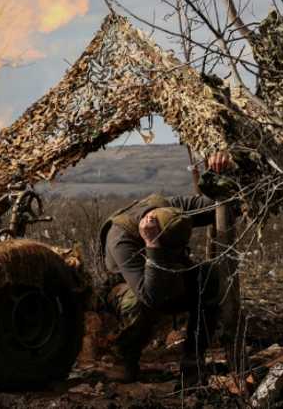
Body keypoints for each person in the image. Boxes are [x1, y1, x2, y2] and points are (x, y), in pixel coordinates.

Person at [98, 150, 234, 384]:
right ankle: (124, 356)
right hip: (130, 289)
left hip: (171, 275)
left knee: (208, 275)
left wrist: (218, 173)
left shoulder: (171, 208)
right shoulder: (121, 236)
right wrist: (153, 244)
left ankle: (193, 359)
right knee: (137, 303)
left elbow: (219, 206)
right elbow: (151, 296)